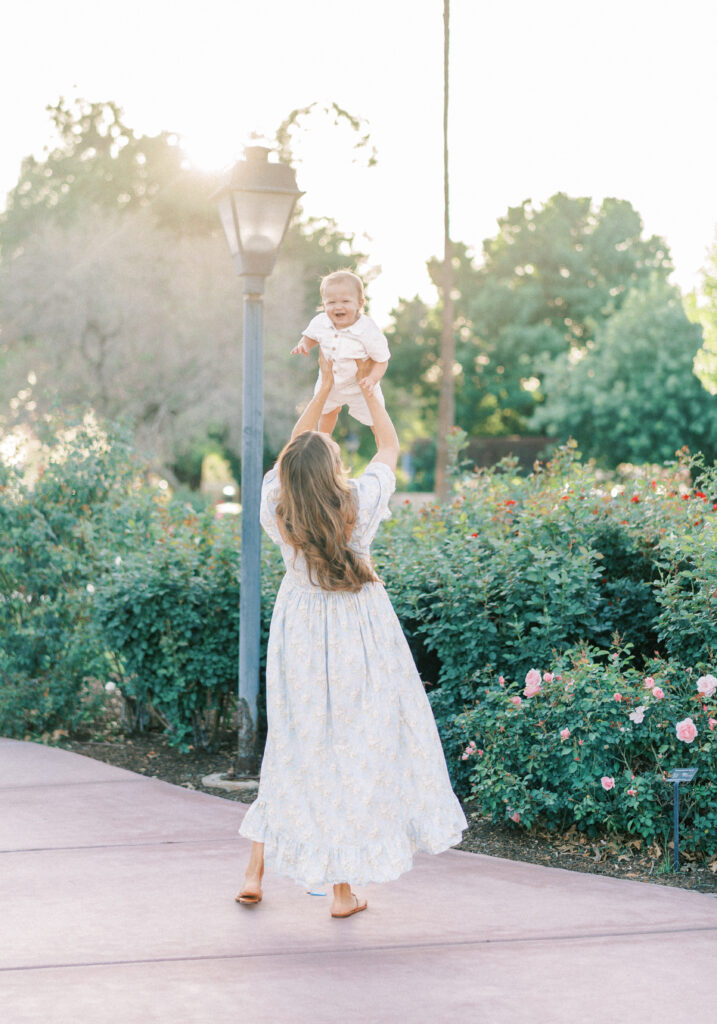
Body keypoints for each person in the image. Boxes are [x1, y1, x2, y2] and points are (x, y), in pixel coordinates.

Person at [237, 352, 467, 918]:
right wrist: (371, 393)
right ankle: (341, 892)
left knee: (296, 742)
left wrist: (323, 391)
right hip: (360, 634)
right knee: (353, 749)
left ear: (290, 474)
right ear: (334, 472)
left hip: (300, 634)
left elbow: (293, 451)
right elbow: (387, 449)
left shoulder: (277, 507)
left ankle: (256, 870)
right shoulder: (357, 505)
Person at [290, 270, 389, 436]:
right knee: (327, 412)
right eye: (331, 302)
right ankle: (324, 439)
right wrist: (304, 345)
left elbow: (382, 360)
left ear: (360, 303)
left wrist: (372, 379)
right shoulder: (321, 322)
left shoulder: (368, 330)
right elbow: (311, 336)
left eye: (345, 301)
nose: (338, 306)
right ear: (323, 304)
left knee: (376, 419)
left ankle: (384, 449)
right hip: (331, 383)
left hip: (361, 386)